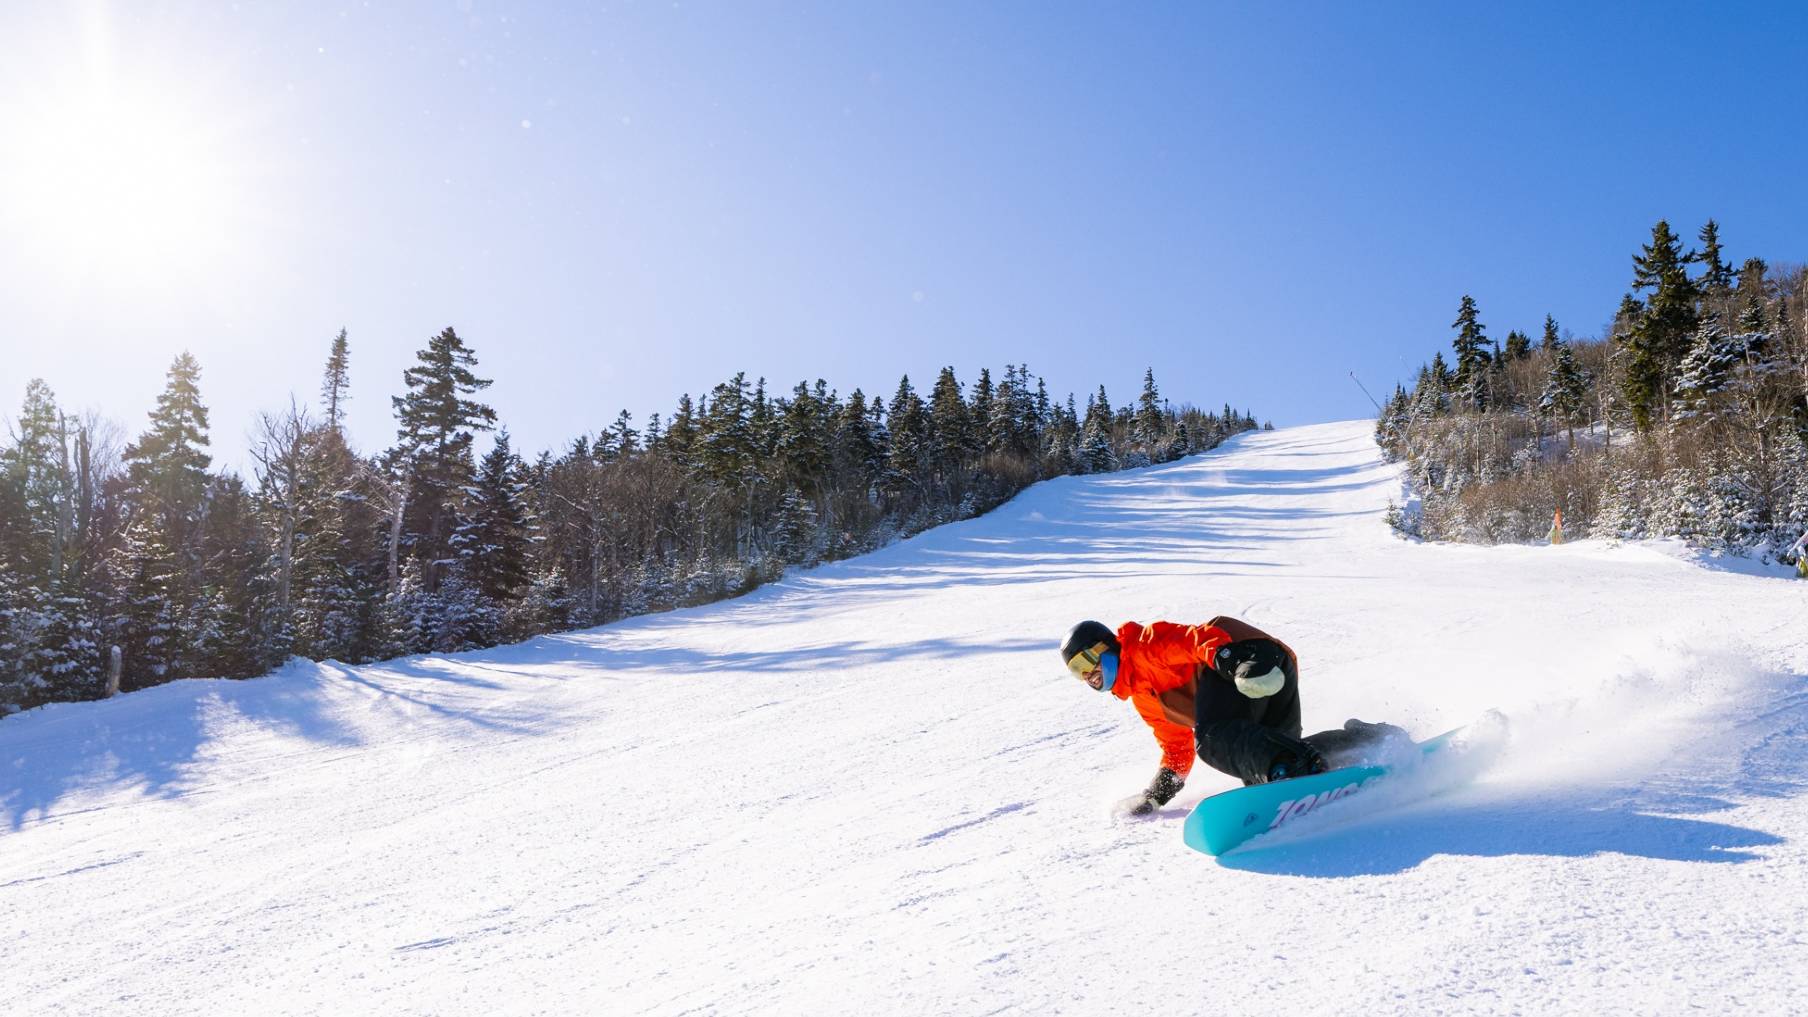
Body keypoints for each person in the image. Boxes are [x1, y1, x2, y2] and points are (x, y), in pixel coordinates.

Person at [1060, 616, 1403, 815]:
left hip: (1251, 659)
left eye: (1085, 660)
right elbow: (1175, 749)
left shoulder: (1143, 647)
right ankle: (1369, 740)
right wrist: (1156, 795)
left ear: (1106, 646)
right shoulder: (1144, 699)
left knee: (1213, 739)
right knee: (1272, 760)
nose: (1086, 674)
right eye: (1076, 671)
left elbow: (1196, 640)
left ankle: (1300, 769)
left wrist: (1231, 659)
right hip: (1255, 675)